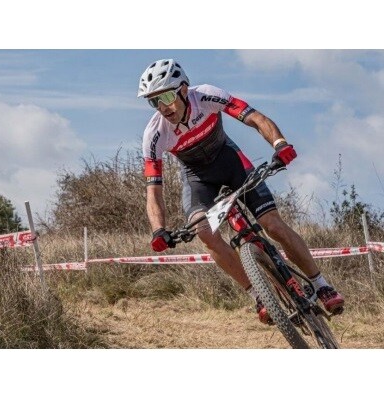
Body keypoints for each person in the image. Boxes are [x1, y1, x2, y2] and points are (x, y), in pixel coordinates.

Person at [138, 58, 344, 324]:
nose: (162, 107)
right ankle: (259, 295)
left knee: (273, 225)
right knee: (204, 232)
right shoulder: (154, 134)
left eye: (166, 97)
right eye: (153, 101)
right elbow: (153, 190)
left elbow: (256, 118)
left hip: (231, 163)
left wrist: (279, 144)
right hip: (198, 179)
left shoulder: (207, 96)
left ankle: (321, 284)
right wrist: (158, 230)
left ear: (184, 90)